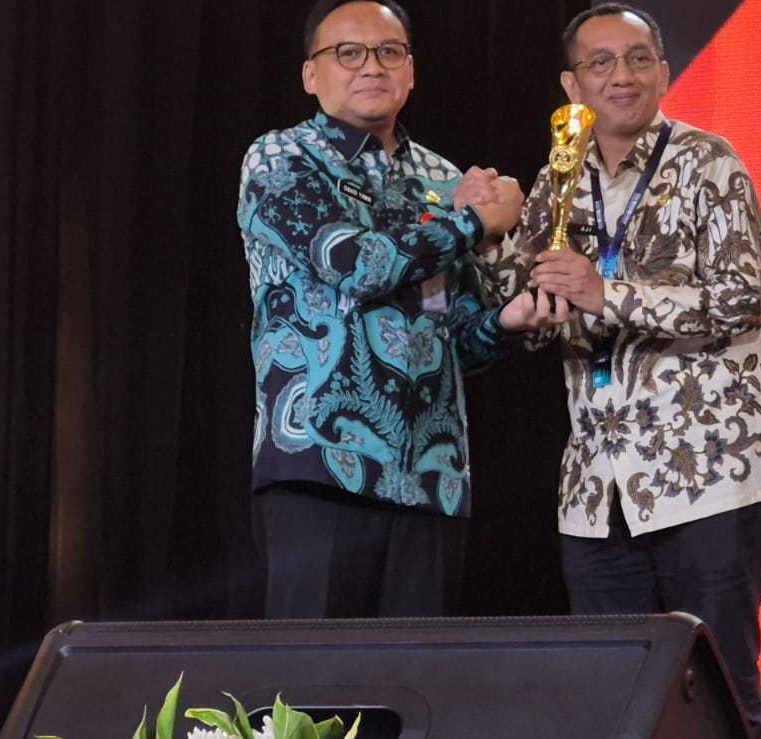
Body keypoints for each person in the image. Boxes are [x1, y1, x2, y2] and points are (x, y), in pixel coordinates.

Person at [480, 5, 761, 736]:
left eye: (638, 58)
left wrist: (607, 292)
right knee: (610, 699)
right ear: (572, 85)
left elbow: (739, 300)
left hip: (709, 477)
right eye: (601, 62)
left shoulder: (709, 162)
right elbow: (527, 311)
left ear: (664, 72)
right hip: (598, 489)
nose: (621, 75)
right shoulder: (558, 180)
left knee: (719, 695)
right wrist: (491, 241)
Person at [236, 0, 555, 619]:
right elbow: (353, 263)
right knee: (313, 678)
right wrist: (474, 221)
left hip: (431, 480)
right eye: (348, 53)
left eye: (389, 52)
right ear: (310, 74)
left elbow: (453, 338)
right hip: (320, 469)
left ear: (410, 70)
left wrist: (504, 322)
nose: (371, 66)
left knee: (415, 676)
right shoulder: (281, 158)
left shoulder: (441, 177)